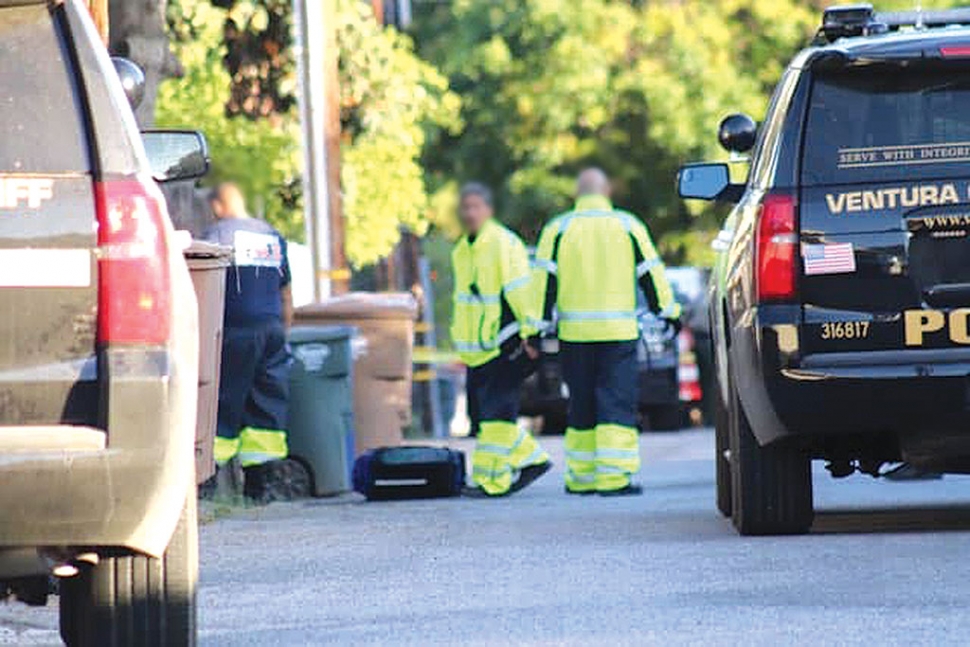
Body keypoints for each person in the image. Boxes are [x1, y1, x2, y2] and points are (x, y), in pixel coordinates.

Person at [534, 169, 681, 496]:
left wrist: (536, 328)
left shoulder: (558, 228)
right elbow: (651, 274)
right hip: (618, 333)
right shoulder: (628, 225)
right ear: (606, 192)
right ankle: (613, 478)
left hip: (574, 335)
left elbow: (544, 283)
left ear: (578, 193)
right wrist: (669, 313)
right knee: (616, 403)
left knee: (581, 403)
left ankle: (581, 478)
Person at [451, 182, 551, 497]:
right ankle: (530, 460)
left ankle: (493, 482)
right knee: (484, 418)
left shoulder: (502, 243)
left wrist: (531, 334)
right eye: (465, 207)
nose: (469, 212)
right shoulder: (461, 249)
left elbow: (520, 290)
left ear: (488, 209)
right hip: (476, 350)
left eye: (475, 206)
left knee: (496, 416)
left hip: (503, 343)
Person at [203, 182, 294, 502]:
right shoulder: (271, 235)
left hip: (234, 331)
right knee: (266, 405)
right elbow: (286, 293)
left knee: (223, 401)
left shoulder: (217, 235)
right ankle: (262, 486)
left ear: (217, 206)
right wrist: (286, 333)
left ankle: (208, 482)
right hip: (272, 331)